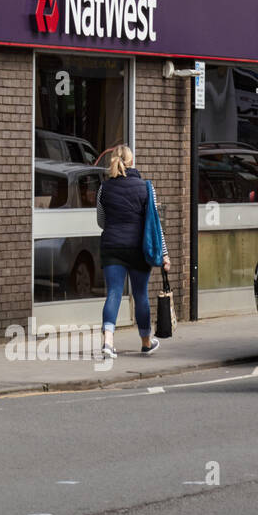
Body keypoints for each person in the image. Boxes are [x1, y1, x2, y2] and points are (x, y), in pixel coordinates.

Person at [96, 144, 170, 358]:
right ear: (131, 162)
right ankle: (146, 342)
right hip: (138, 249)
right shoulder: (146, 187)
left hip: (112, 247)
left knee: (113, 293)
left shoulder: (104, 188)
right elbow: (155, 225)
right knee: (140, 295)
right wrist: (164, 254)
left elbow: (101, 221)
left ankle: (108, 342)